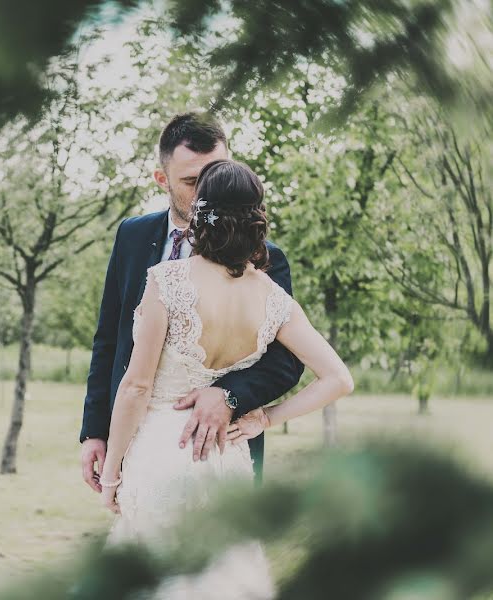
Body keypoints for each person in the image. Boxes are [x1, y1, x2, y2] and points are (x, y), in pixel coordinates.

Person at [96, 158, 354, 597]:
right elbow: (338, 378)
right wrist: (266, 419)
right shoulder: (275, 300)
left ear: (201, 214)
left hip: (161, 453)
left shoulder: (167, 282)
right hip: (227, 460)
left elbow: (136, 387)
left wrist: (111, 475)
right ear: (257, 221)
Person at [80, 113, 303, 492]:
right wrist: (95, 432)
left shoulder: (264, 257)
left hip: (222, 445)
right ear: (162, 180)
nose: (207, 193)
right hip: (140, 446)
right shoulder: (132, 236)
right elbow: (110, 341)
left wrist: (230, 396)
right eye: (190, 181)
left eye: (215, 174)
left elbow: (286, 361)